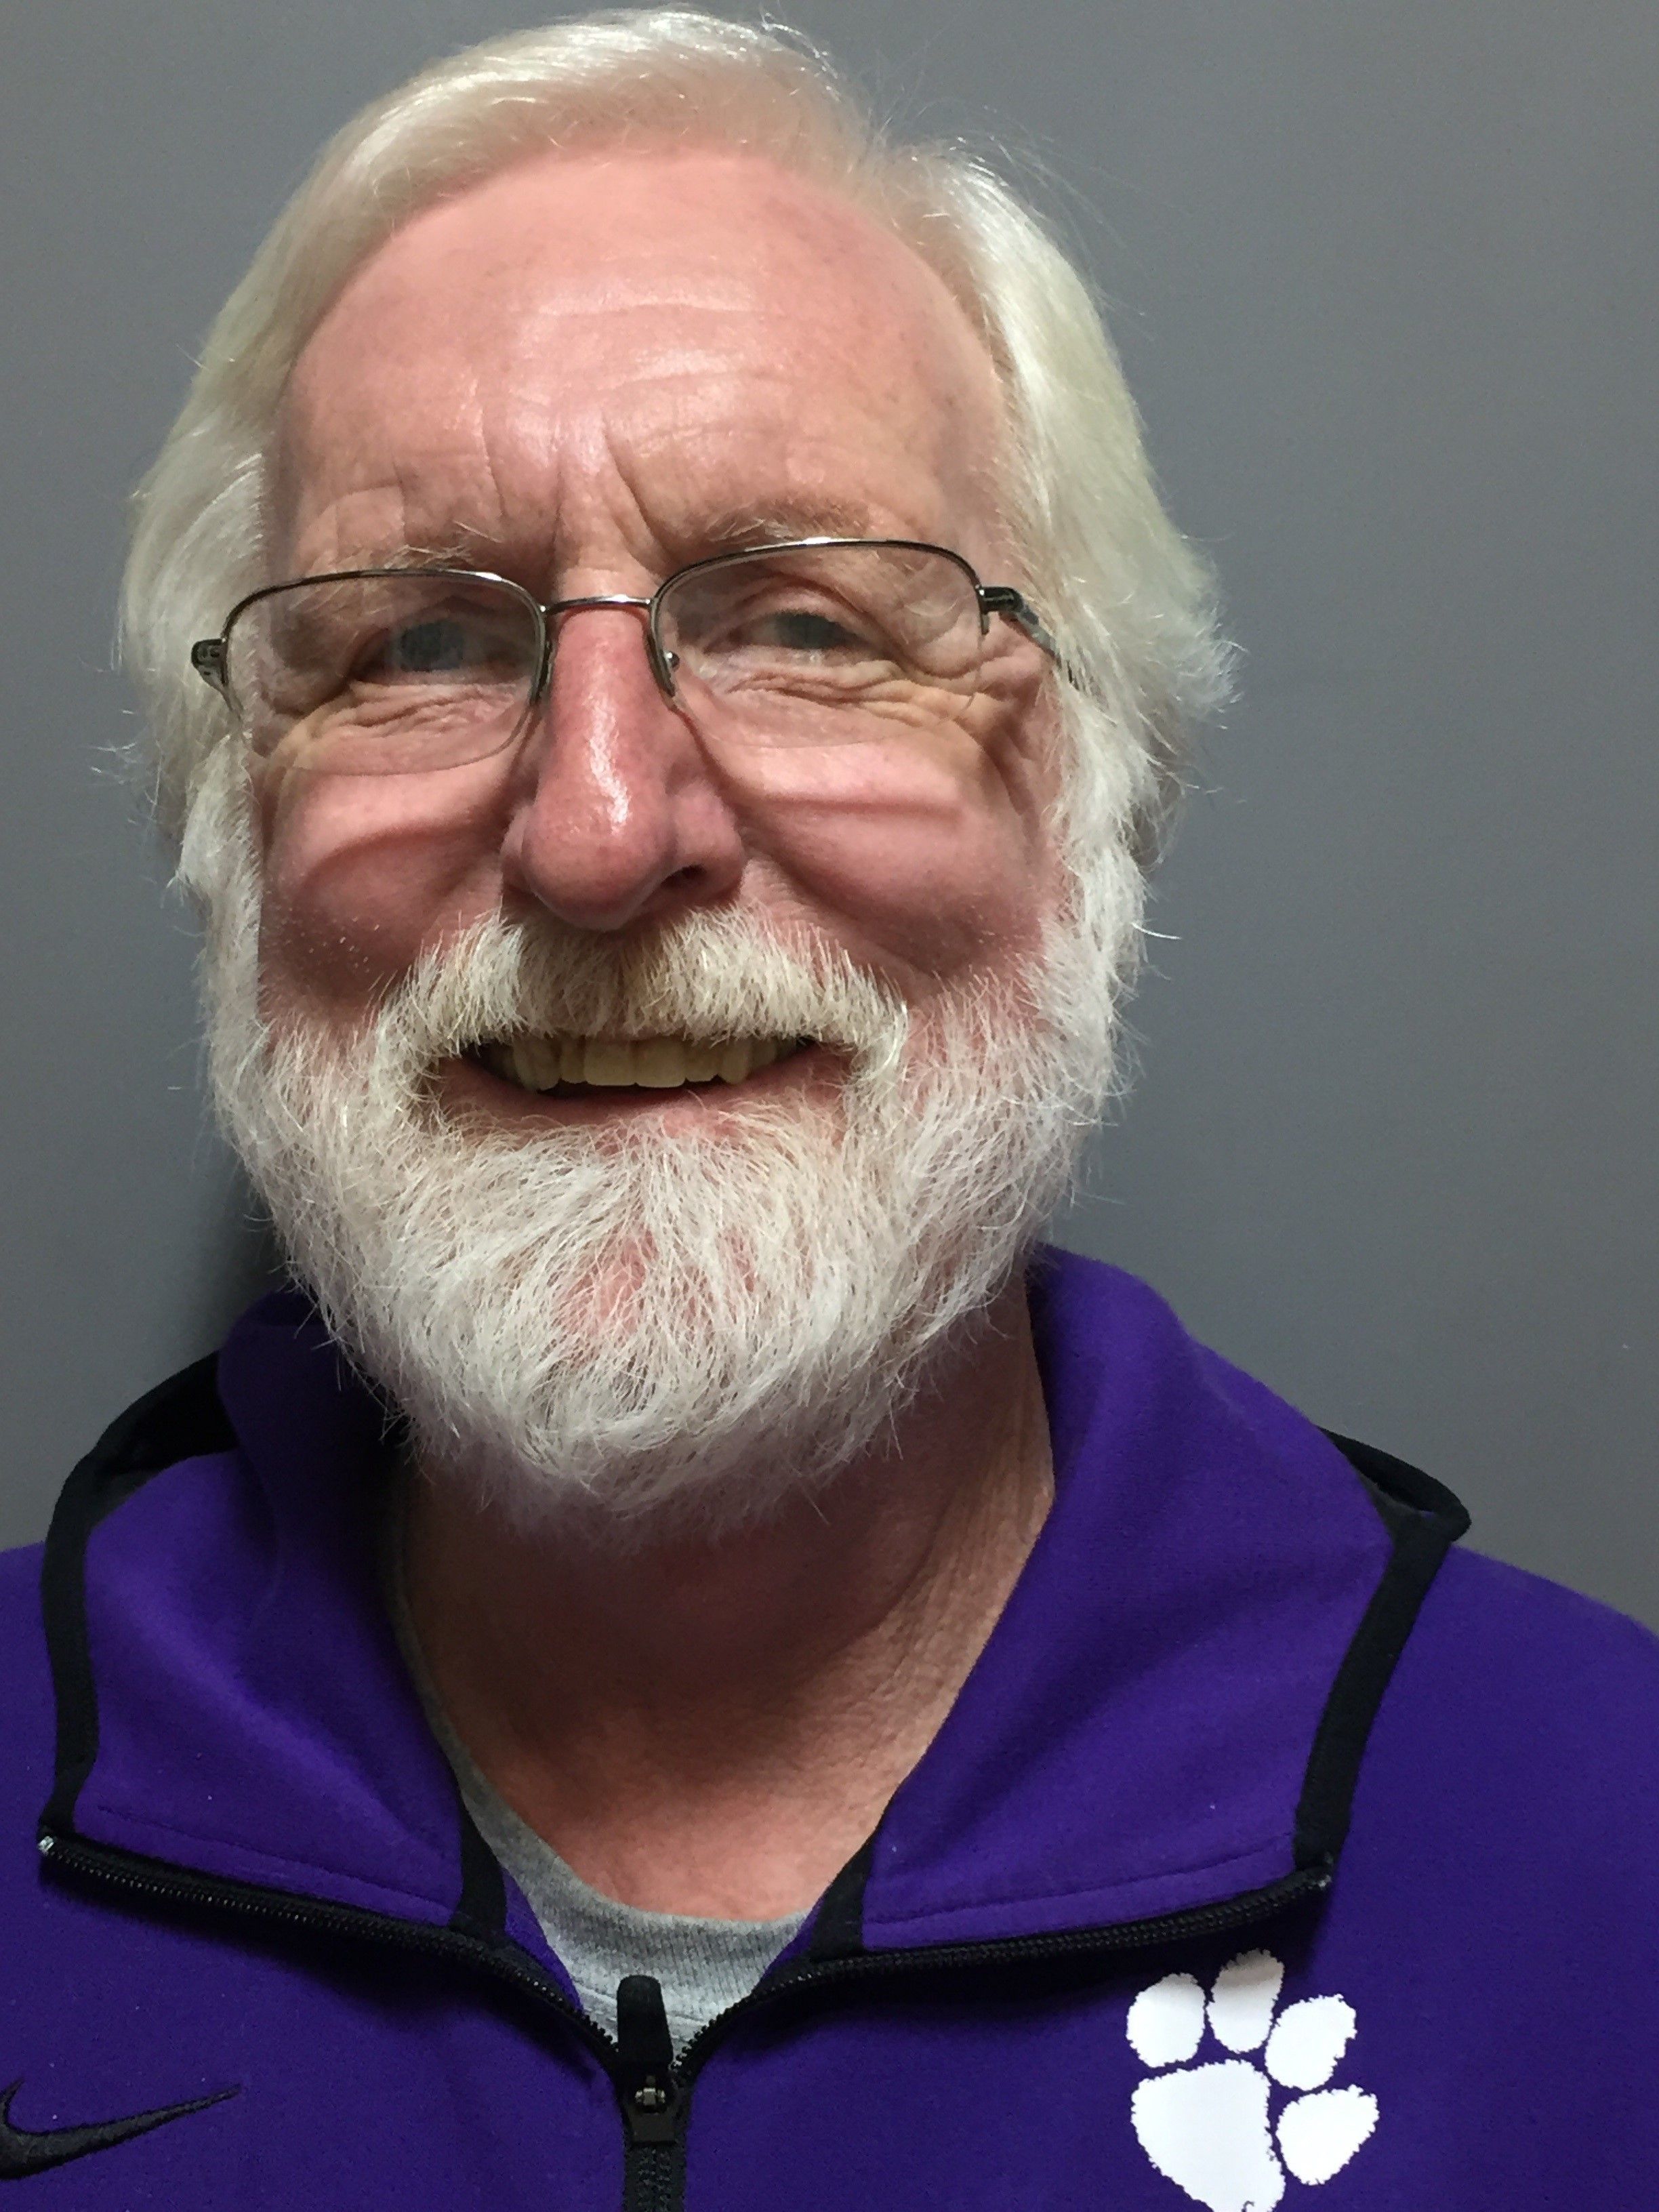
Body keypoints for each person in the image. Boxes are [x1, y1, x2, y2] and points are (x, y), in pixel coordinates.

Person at [3, 13, 1654, 2208]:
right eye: (410, 647)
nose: (598, 832)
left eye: (801, 622)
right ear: (233, 832)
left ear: (1091, 797)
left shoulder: (1605, 1858)